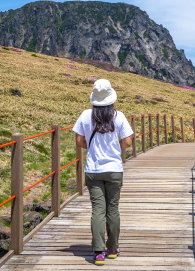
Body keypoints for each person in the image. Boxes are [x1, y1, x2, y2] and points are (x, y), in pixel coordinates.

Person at [73, 79, 134, 266]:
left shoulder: (85, 115)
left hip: (93, 169)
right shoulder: (119, 116)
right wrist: (115, 147)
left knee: (98, 210)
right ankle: (113, 249)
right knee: (112, 209)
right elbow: (128, 142)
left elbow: (79, 141)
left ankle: (99, 253)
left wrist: (92, 147)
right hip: (114, 169)